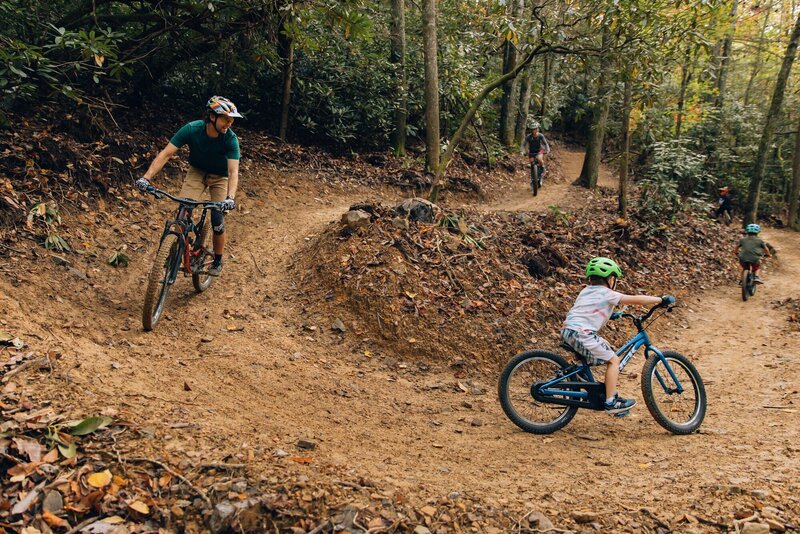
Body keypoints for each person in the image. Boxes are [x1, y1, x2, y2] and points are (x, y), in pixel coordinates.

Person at [135, 96, 242, 276]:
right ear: (212, 117)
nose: (229, 124)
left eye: (232, 120)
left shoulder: (230, 140)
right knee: (183, 210)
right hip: (197, 172)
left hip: (220, 178)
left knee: (217, 219)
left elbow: (233, 172)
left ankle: (217, 260)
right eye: (226, 119)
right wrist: (146, 178)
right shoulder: (192, 130)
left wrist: (230, 198)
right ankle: (174, 252)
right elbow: (166, 154)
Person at [560, 257, 674, 414]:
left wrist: (612, 314)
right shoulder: (608, 293)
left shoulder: (585, 291)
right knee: (614, 360)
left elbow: (588, 308)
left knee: (603, 345)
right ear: (611, 279)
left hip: (568, 330)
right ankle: (611, 401)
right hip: (582, 333)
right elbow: (635, 299)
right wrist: (659, 299)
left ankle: (580, 374)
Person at [521, 121, 551, 190]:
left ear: (537, 129)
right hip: (531, 151)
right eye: (532, 129)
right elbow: (523, 144)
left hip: (540, 150)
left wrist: (547, 149)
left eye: (535, 129)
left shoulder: (540, 135)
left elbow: (546, 144)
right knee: (532, 164)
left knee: (539, 159)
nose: (533, 130)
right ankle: (532, 179)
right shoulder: (528, 137)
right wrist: (522, 151)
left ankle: (543, 168)